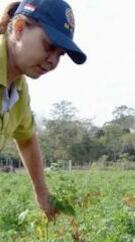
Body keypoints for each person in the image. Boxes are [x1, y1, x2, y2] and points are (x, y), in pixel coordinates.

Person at [0, 0, 86, 220]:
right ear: (19, 28)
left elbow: (27, 139)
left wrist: (42, 194)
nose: (53, 61)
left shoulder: (18, 88)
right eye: (49, 46)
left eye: (60, 54)